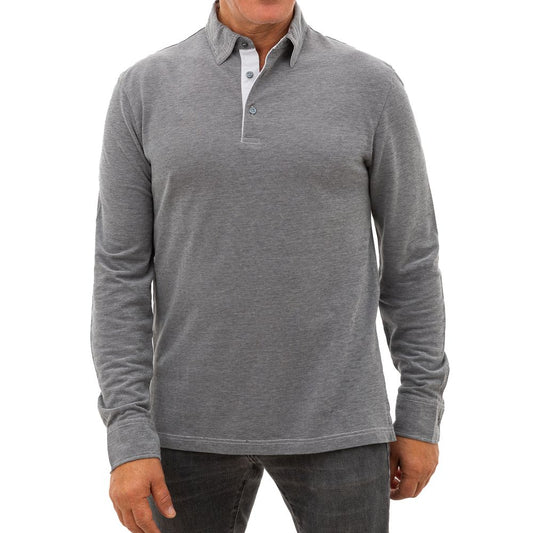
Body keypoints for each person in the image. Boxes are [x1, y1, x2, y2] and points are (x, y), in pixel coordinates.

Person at [90, 1, 450, 531]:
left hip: (340, 424)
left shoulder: (371, 85)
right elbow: (119, 274)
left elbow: (411, 256)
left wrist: (420, 408)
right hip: (184, 432)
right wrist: (127, 433)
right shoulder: (143, 88)